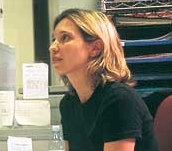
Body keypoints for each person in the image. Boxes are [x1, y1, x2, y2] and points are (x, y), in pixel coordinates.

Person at [50, 8, 158, 151]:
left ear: (95, 48)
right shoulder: (68, 104)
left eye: (65, 38)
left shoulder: (119, 100)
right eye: (54, 40)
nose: (52, 47)